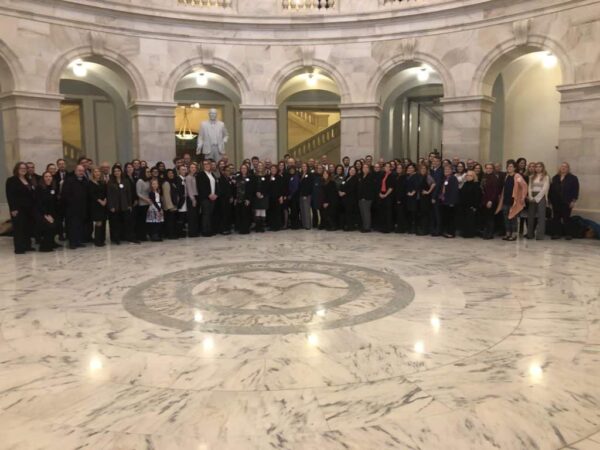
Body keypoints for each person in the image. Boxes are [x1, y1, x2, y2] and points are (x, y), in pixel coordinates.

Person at [6, 162, 36, 254]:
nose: (23, 169)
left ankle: (27, 245)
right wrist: (13, 209)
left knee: (27, 227)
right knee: (19, 228)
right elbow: (10, 196)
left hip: (29, 209)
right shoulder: (11, 180)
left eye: (25, 168)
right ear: (17, 169)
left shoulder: (27, 179)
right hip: (18, 209)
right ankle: (19, 248)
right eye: (21, 168)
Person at [496, 160, 528, 241]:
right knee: (506, 217)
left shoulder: (517, 176)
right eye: (508, 167)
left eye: (511, 167)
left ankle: (514, 234)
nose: (509, 168)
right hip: (506, 200)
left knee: (513, 218)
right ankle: (508, 233)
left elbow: (524, 186)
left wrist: (523, 197)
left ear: (514, 168)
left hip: (514, 201)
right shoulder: (506, 176)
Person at [106, 165, 138, 245]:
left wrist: (130, 204)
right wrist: (111, 206)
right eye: (115, 171)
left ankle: (130, 238)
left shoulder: (126, 181)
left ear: (121, 172)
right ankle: (116, 239)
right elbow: (109, 195)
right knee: (116, 224)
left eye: (118, 171)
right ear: (113, 173)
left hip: (125, 205)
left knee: (128, 223)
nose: (117, 172)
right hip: (115, 206)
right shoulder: (110, 182)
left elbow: (129, 194)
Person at [549, 162, 580, 240]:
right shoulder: (555, 177)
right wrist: (550, 200)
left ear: (568, 168)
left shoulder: (573, 178)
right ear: (560, 168)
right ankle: (556, 233)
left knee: (566, 218)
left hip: (567, 201)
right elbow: (551, 190)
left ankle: (568, 234)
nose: (563, 168)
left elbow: (575, 190)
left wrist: (573, 201)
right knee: (556, 218)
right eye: (562, 166)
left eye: (565, 167)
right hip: (556, 201)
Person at [61, 165, 89, 249]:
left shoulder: (85, 181)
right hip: (72, 209)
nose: (81, 172)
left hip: (82, 208)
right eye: (79, 171)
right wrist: (72, 204)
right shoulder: (69, 180)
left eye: (82, 171)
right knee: (72, 226)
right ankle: (72, 242)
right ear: (75, 171)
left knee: (80, 226)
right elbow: (65, 194)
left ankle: (78, 241)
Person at [527, 162, 550, 240]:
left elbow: (545, 189)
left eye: (540, 167)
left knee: (541, 216)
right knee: (530, 216)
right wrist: (530, 196)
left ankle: (540, 235)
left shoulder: (546, 177)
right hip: (532, 196)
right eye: (536, 167)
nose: (538, 168)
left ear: (542, 168)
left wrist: (537, 198)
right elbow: (529, 187)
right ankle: (530, 234)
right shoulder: (531, 177)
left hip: (541, 196)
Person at [197, 159, 218, 237]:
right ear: (203, 166)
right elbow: (201, 187)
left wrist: (216, 194)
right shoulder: (200, 174)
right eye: (205, 164)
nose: (207, 165)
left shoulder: (212, 174)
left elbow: (216, 185)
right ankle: (205, 231)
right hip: (205, 198)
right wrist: (208, 195)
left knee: (210, 214)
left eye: (208, 164)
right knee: (206, 214)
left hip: (213, 197)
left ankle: (210, 230)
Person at [480, 163, 501, 240]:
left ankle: (490, 233)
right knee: (486, 218)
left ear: (493, 169)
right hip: (484, 200)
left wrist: (491, 201)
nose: (488, 169)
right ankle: (486, 233)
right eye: (487, 168)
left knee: (490, 218)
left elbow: (495, 191)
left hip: (490, 201)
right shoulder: (484, 177)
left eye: (490, 168)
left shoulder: (494, 178)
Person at [88, 167, 107, 247]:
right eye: (95, 172)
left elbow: (106, 192)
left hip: (103, 205)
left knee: (103, 222)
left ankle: (102, 239)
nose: (97, 173)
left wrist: (105, 200)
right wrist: (100, 201)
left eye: (98, 172)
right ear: (93, 174)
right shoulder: (90, 183)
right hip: (96, 205)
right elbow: (92, 195)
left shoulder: (102, 182)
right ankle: (97, 241)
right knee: (98, 222)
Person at [439, 164, 459, 238]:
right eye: (445, 170)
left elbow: (454, 191)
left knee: (451, 218)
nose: (446, 171)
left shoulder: (453, 178)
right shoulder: (446, 178)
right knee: (446, 217)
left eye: (448, 170)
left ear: (451, 171)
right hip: (445, 201)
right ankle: (447, 231)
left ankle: (451, 233)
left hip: (450, 202)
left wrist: (452, 202)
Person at [460, 170, 481, 238]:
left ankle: (470, 234)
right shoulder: (465, 183)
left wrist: (474, 206)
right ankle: (465, 233)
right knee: (465, 220)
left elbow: (477, 197)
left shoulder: (476, 185)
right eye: (467, 175)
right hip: (464, 206)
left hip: (472, 206)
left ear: (474, 177)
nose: (468, 177)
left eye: (470, 175)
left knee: (470, 221)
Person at [216, 164, 235, 234]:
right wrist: (229, 197)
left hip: (229, 200)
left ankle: (227, 228)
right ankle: (223, 229)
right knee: (223, 214)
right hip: (223, 199)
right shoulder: (220, 179)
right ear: (223, 171)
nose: (228, 172)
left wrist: (232, 196)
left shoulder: (229, 179)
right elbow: (221, 190)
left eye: (229, 171)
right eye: (226, 171)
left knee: (228, 214)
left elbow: (231, 189)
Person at [235, 164, 253, 234]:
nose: (243, 169)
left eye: (245, 168)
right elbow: (235, 188)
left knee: (246, 214)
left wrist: (248, 199)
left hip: (246, 199)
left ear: (247, 169)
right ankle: (240, 228)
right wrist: (235, 198)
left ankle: (246, 229)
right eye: (242, 168)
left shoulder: (250, 177)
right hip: (239, 199)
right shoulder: (237, 177)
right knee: (240, 214)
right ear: (240, 169)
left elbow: (251, 190)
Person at [417, 163, 435, 236]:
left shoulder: (428, 177)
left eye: (424, 169)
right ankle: (422, 229)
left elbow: (433, 184)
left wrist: (428, 191)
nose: (423, 170)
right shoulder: (419, 176)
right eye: (421, 169)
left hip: (426, 198)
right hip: (420, 198)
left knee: (425, 214)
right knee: (421, 214)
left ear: (427, 170)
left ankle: (425, 230)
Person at [339, 166, 359, 231]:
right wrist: (340, 191)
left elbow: (352, 188)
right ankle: (346, 225)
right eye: (351, 170)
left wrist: (344, 193)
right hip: (344, 199)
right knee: (346, 212)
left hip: (351, 199)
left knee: (350, 213)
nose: (352, 171)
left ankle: (350, 226)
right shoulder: (347, 177)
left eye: (353, 170)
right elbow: (342, 184)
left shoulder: (356, 179)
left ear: (355, 172)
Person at [377, 162, 395, 233]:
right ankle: (382, 227)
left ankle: (388, 228)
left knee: (388, 212)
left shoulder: (392, 175)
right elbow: (379, 185)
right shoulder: (382, 174)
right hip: (381, 194)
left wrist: (385, 195)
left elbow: (391, 187)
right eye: (385, 166)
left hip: (388, 195)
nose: (387, 168)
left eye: (388, 166)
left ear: (390, 167)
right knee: (382, 212)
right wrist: (380, 193)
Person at [357, 164, 375, 233]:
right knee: (363, 213)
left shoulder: (370, 176)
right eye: (363, 167)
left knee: (366, 213)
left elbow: (370, 189)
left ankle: (367, 227)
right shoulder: (361, 176)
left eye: (366, 167)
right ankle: (364, 226)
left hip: (367, 198)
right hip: (360, 198)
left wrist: (365, 197)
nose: (365, 168)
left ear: (369, 169)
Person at [252, 162, 269, 232]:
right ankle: (257, 227)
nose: (260, 167)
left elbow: (268, 187)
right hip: (256, 196)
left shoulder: (266, 176)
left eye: (261, 166)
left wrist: (263, 194)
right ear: (257, 167)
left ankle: (262, 227)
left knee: (263, 211)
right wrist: (256, 192)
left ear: (263, 167)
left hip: (264, 196)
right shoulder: (253, 176)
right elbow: (252, 186)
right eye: (258, 166)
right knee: (257, 211)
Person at [267, 164, 285, 231]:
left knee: (277, 212)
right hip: (270, 197)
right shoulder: (268, 177)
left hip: (277, 197)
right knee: (270, 212)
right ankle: (271, 225)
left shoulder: (279, 177)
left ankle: (277, 226)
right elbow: (266, 187)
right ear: (270, 170)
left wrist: (281, 196)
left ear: (276, 170)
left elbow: (282, 188)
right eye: (272, 169)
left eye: (274, 169)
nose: (273, 170)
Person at [161, 169, 179, 239]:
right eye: (169, 173)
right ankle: (170, 235)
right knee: (170, 221)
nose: (171, 174)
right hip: (169, 206)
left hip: (173, 205)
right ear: (166, 174)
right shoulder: (166, 183)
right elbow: (166, 196)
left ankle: (173, 234)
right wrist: (170, 206)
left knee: (173, 221)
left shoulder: (172, 182)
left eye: (172, 173)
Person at [135, 169, 151, 241]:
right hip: (142, 203)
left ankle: (146, 234)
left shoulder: (148, 181)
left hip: (149, 203)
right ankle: (142, 236)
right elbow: (138, 193)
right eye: (147, 172)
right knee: (142, 221)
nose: (149, 173)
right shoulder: (140, 181)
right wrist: (146, 199)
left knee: (147, 220)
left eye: (149, 172)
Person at [185, 162, 200, 237]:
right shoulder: (188, 177)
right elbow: (189, 189)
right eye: (192, 167)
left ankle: (195, 231)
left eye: (194, 167)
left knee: (195, 216)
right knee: (192, 216)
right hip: (191, 198)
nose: (193, 169)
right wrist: (193, 199)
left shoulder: (195, 177)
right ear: (189, 169)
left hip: (196, 196)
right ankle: (192, 233)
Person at [298, 163, 313, 230]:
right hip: (300, 195)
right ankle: (304, 224)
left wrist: (305, 195)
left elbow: (309, 186)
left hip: (306, 195)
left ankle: (308, 225)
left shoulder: (309, 175)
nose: (304, 167)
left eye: (305, 166)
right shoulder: (300, 174)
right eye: (302, 166)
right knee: (302, 210)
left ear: (307, 167)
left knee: (306, 210)